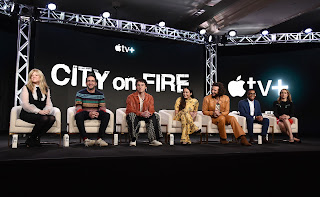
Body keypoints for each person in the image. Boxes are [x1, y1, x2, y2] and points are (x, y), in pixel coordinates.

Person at [20, 69, 56, 147]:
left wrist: (46, 111)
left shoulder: (46, 88)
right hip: (28, 113)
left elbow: (49, 103)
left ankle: (36, 137)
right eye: (32, 75)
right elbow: (25, 104)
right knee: (44, 119)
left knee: (52, 118)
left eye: (36, 75)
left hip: (41, 113)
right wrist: (39, 111)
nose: (34, 77)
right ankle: (31, 138)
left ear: (40, 77)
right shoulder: (26, 88)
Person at [75, 73, 110, 147]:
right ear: (86, 83)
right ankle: (86, 139)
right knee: (78, 115)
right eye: (88, 81)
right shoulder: (80, 93)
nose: (90, 83)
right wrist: (89, 113)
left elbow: (102, 107)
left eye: (92, 81)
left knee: (106, 115)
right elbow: (78, 107)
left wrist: (98, 113)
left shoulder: (100, 94)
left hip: (96, 112)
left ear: (95, 83)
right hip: (85, 113)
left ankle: (99, 139)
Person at [126, 78, 163, 146]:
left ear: (145, 87)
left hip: (145, 115)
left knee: (155, 115)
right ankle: (133, 140)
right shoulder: (130, 97)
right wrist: (141, 113)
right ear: (136, 87)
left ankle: (153, 139)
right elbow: (130, 109)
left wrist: (148, 113)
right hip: (136, 115)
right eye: (138, 85)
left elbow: (152, 109)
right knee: (131, 115)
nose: (140, 87)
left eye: (142, 85)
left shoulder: (150, 97)